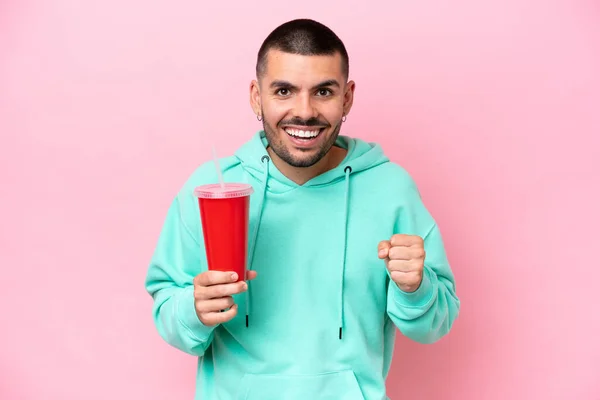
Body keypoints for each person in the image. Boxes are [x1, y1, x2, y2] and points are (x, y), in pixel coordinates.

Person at [145, 18, 460, 400]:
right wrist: (192, 309)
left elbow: (434, 325)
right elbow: (167, 312)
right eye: (284, 91)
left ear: (346, 97)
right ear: (256, 96)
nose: (305, 111)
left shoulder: (391, 190)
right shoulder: (212, 190)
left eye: (323, 91)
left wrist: (415, 288)